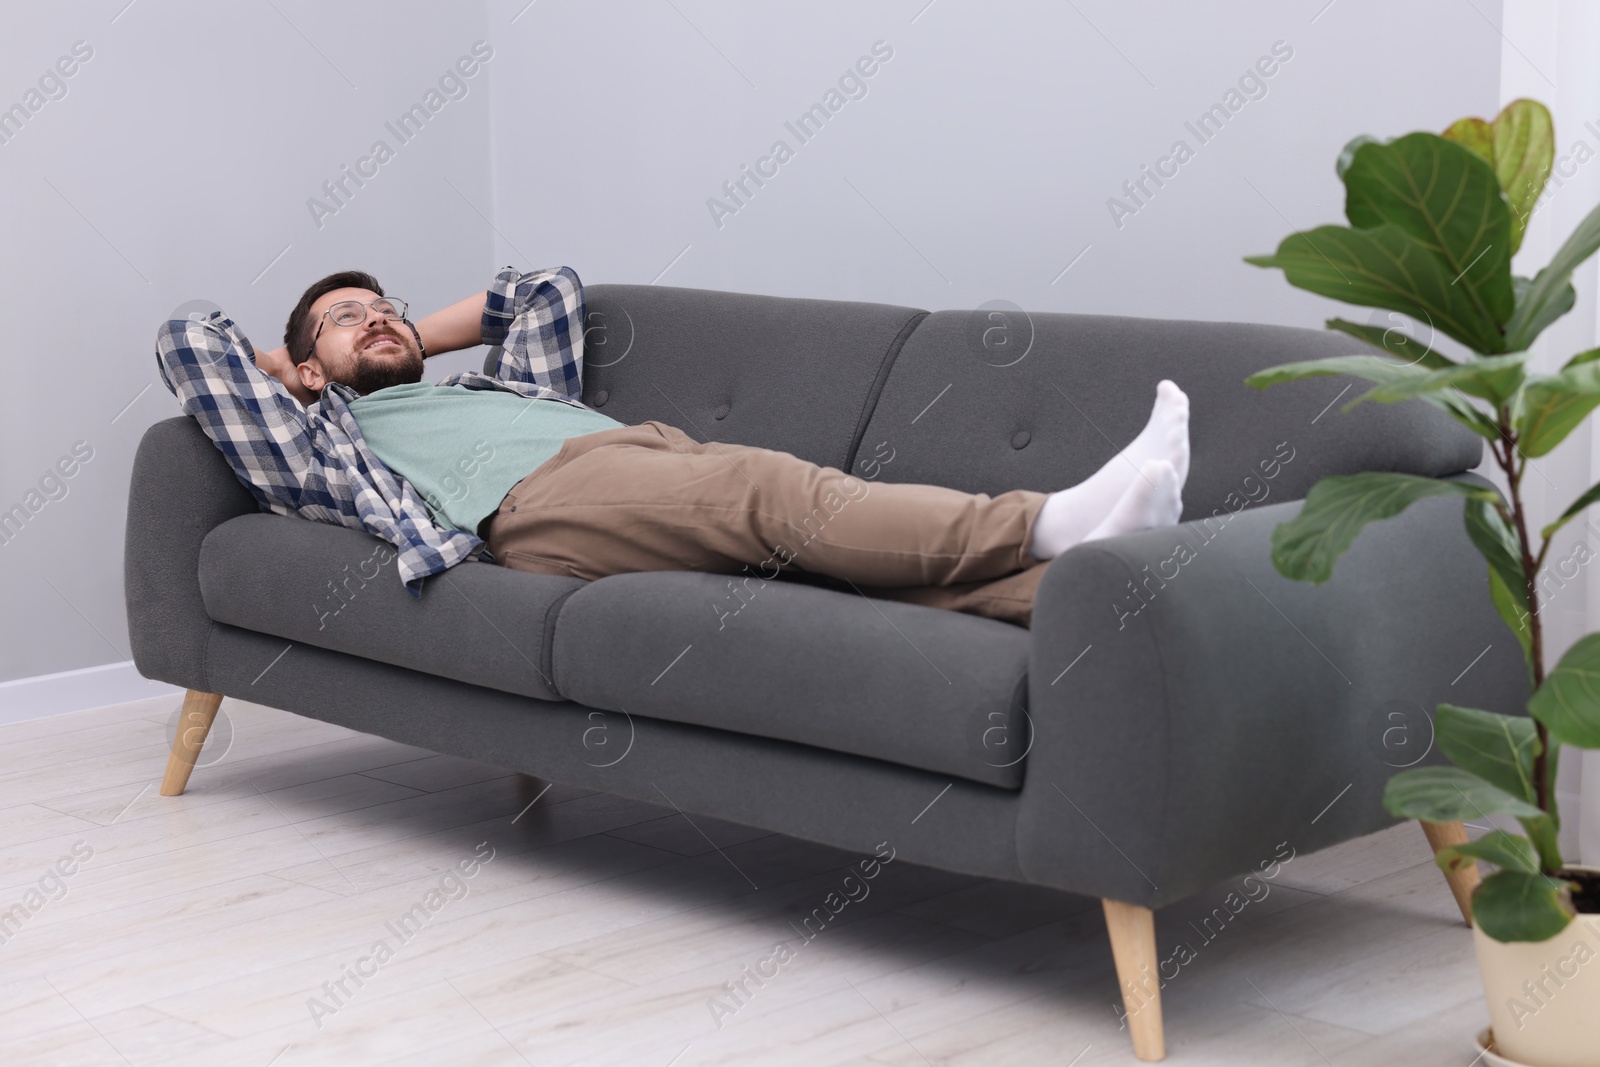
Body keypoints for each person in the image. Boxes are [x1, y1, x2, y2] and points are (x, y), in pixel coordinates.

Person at [155, 265, 1188, 627]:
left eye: (387, 305)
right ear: (300, 364)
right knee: (774, 490)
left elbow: (547, 290)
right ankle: (1049, 514)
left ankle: (1103, 584)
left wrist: (406, 337)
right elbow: (186, 342)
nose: (377, 317)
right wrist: (293, 372)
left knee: (829, 569)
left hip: (631, 458)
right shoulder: (327, 435)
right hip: (537, 505)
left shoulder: (494, 381)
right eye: (347, 317)